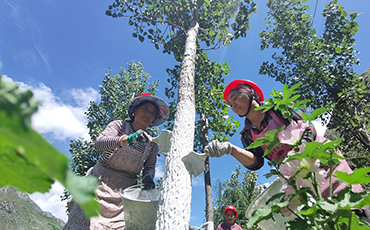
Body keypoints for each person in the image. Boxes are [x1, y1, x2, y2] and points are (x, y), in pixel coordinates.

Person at [204, 79, 363, 200]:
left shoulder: (279, 107)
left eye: (235, 97)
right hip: (297, 177)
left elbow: (307, 126)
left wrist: (302, 155)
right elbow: (257, 162)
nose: (233, 106)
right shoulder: (247, 135)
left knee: (351, 204)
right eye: (230, 104)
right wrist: (231, 149)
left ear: (250, 92)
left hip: (322, 160)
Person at [63, 93, 169, 229]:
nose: (148, 113)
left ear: (154, 119)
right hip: (97, 184)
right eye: (144, 108)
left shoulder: (152, 144)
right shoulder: (119, 125)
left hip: (123, 197)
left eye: (152, 112)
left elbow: (149, 167)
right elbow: (98, 144)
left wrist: (148, 179)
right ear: (135, 110)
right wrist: (128, 139)